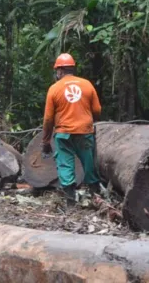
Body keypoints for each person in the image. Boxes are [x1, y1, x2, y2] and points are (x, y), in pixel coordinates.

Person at [42, 53, 102, 206]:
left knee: (65, 165)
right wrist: (89, 121)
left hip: (64, 135)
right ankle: (96, 197)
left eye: (57, 71)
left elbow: (48, 119)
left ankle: (70, 202)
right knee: (89, 163)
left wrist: (45, 141)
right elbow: (97, 110)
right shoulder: (87, 85)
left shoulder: (54, 89)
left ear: (60, 71)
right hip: (85, 132)